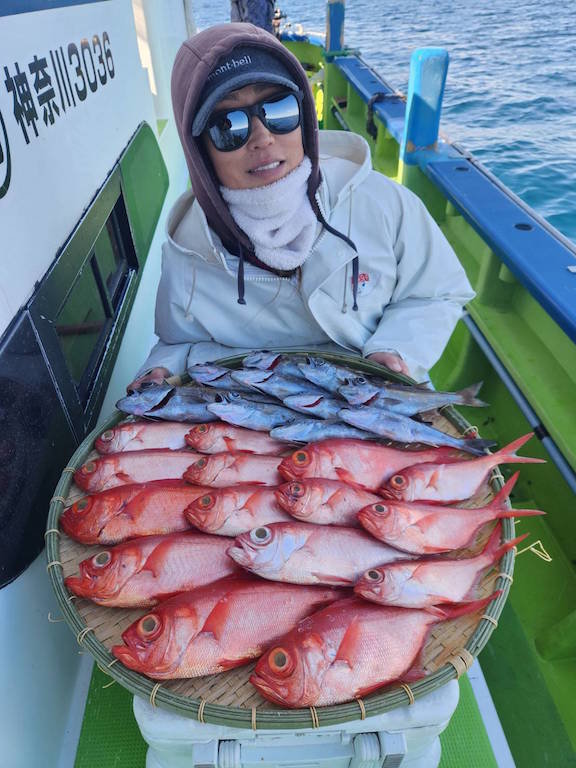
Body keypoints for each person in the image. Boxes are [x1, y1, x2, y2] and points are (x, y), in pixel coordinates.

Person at [128, 22, 474, 392]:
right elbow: (177, 342)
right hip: (254, 404)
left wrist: (394, 350)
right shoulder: (187, 249)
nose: (262, 137)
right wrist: (161, 369)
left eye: (279, 109)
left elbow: (437, 291)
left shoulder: (381, 201)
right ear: (199, 150)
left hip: (378, 396)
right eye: (228, 125)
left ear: (304, 114)